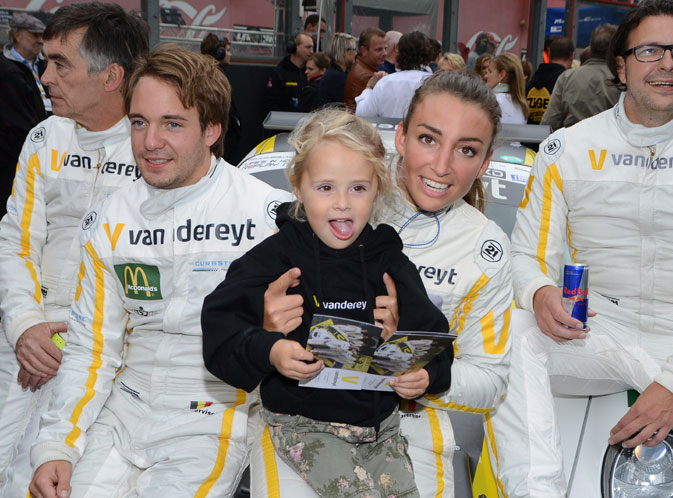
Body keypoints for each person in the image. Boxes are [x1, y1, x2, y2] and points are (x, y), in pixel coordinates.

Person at [495, 1, 673, 497]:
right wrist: (541, 292)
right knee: (507, 332)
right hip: (593, 332)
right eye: (650, 50)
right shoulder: (566, 149)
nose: (667, 64)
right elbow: (526, 256)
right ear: (621, 64)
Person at [28, 43, 290, 498]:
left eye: (172, 124)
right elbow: (92, 349)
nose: (150, 142)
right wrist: (57, 445)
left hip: (213, 414)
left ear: (211, 129)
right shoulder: (109, 217)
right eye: (139, 122)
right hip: (121, 409)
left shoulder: (268, 217)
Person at [259, 71, 513, 498]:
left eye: (466, 150)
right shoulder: (343, 193)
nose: (442, 165)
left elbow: (490, 381)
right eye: (428, 139)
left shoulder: (485, 248)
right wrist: (268, 330)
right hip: (301, 418)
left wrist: (420, 371)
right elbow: (242, 324)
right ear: (401, 137)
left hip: (413, 423)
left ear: (485, 163)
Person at [203, 109, 453, 498]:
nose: (342, 203)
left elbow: (434, 338)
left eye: (358, 188)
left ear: (378, 189)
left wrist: (426, 376)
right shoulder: (276, 257)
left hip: (382, 429)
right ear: (298, 188)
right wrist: (270, 349)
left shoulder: (388, 259)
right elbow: (220, 329)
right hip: (304, 424)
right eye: (325, 188)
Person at [0, 4, 148, 497]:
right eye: (45, 62)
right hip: (24, 334)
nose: (45, 77)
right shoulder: (44, 137)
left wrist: (75, 344)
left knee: (39, 479)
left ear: (111, 77)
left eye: (60, 64)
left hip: (103, 353)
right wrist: (26, 327)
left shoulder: (153, 151)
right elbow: (16, 241)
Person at [0, 13, 50, 220]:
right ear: (18, 36)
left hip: (46, 145)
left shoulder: (45, 65)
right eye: (34, 35)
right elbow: (16, 117)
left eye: (42, 35)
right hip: (14, 153)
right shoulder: (6, 70)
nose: (40, 40)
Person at [541, 24, 621, 131]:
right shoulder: (623, 79)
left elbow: (549, 121)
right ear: (616, 49)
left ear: (591, 46)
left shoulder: (567, 77)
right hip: (610, 139)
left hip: (572, 138)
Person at [355, 30, 433, 119]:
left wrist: (368, 89)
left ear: (398, 50)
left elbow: (362, 114)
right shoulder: (435, 84)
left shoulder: (384, 83)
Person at [200, 32, 243, 164]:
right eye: (227, 50)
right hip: (222, 141)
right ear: (219, 52)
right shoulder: (214, 76)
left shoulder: (204, 72)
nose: (230, 54)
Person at [526, 35, 574, 124]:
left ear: (549, 55)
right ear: (572, 56)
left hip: (529, 131)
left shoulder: (532, 80)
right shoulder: (568, 82)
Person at [267, 32, 315, 112]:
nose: (311, 51)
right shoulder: (279, 73)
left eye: (312, 47)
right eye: (308, 47)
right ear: (294, 47)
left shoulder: (311, 72)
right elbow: (272, 103)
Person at [344, 27, 387, 110]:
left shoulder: (362, 67)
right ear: (363, 50)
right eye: (378, 49)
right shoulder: (368, 77)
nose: (385, 53)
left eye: (385, 48)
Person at [485, 53, 530, 124]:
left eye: (490, 71)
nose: (486, 76)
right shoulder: (521, 104)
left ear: (502, 75)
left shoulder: (494, 102)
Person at [318, 32, 356, 107]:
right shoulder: (336, 77)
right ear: (344, 52)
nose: (356, 53)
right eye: (354, 50)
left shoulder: (338, 72)